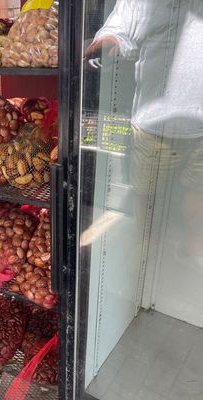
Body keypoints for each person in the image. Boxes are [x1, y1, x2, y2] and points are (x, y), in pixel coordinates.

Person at [84, 0, 203, 255]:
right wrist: (110, 41)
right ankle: (147, 253)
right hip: (154, 128)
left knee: (196, 203)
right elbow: (120, 28)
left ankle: (189, 253)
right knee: (149, 212)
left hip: (201, 130)